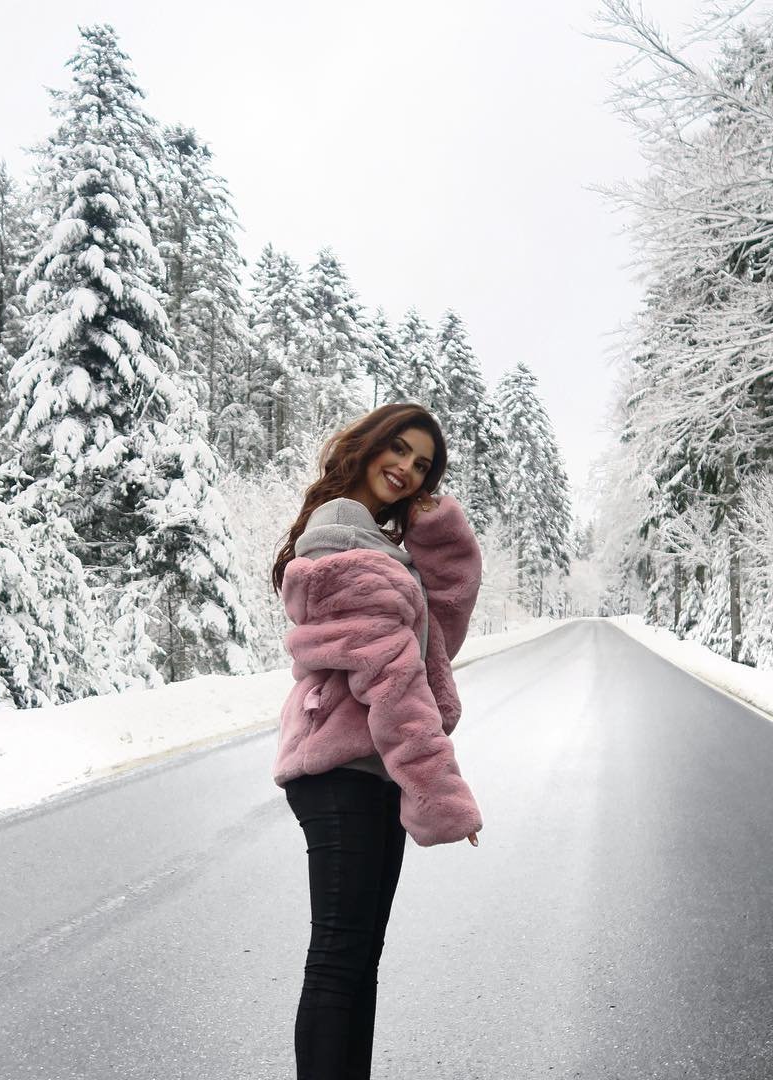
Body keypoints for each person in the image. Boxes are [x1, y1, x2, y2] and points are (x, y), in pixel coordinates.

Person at [270, 401, 484, 1080]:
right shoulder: (342, 534)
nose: (407, 469)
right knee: (339, 963)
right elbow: (393, 679)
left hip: (366, 772)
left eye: (422, 465)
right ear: (367, 446)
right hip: (343, 774)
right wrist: (439, 789)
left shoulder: (378, 546)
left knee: (358, 961)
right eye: (399, 450)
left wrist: (441, 536)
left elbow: (437, 639)